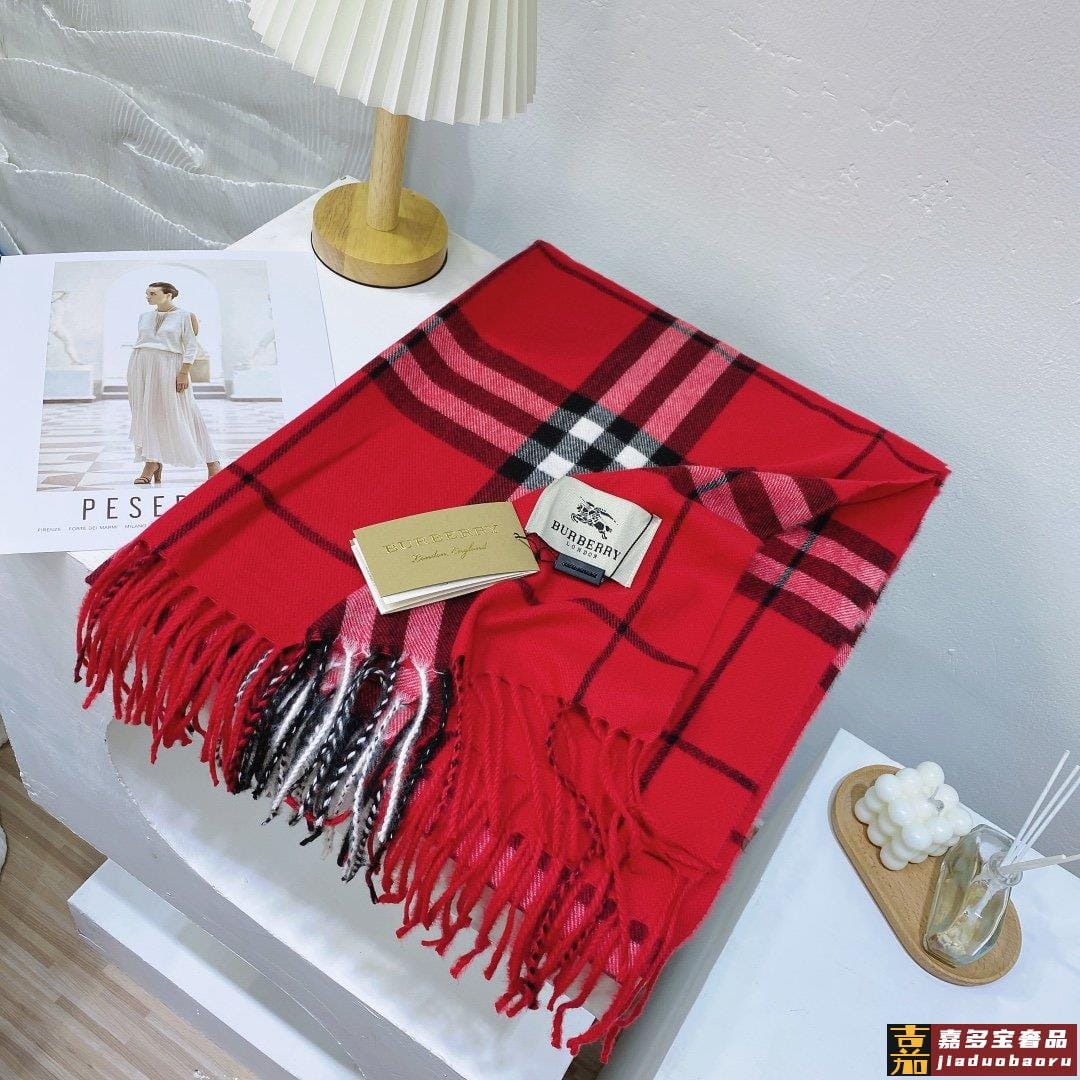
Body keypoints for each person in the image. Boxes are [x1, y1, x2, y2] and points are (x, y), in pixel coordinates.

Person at [128, 281, 221, 484]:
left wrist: (184, 372)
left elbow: (191, 346)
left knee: (187, 412)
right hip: (141, 366)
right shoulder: (144, 316)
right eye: (147, 293)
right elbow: (143, 342)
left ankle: (212, 461)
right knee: (147, 414)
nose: (148, 296)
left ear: (168, 294)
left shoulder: (186, 316)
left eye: (152, 293)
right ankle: (151, 462)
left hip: (170, 367)